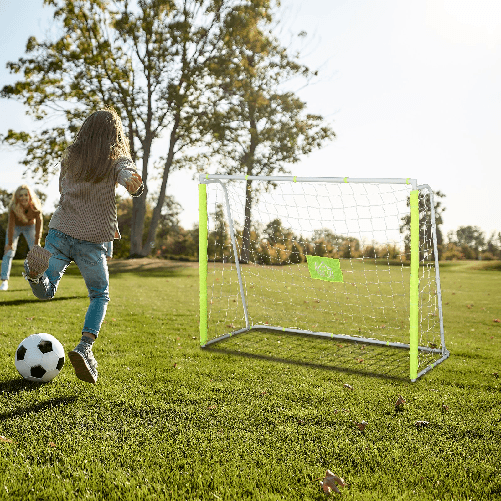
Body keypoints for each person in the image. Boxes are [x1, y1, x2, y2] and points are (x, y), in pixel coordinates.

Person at [23, 107, 143, 384]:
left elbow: (63, 189)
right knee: (99, 294)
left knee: (48, 290)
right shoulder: (115, 156)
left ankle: (35, 275)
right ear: (115, 133)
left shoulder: (70, 155)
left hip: (61, 229)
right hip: (92, 238)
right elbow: (127, 172)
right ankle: (84, 346)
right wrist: (131, 183)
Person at [1, 185, 43, 291]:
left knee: (36, 252)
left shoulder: (35, 206)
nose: (23, 197)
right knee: (8, 252)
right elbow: (10, 226)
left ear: (29, 196)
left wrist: (37, 241)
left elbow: (39, 224)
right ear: (17, 197)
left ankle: (39, 280)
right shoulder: (13, 207)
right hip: (16, 226)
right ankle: (4, 281)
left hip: (30, 226)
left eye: (26, 195)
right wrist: (10, 243)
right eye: (20, 195)